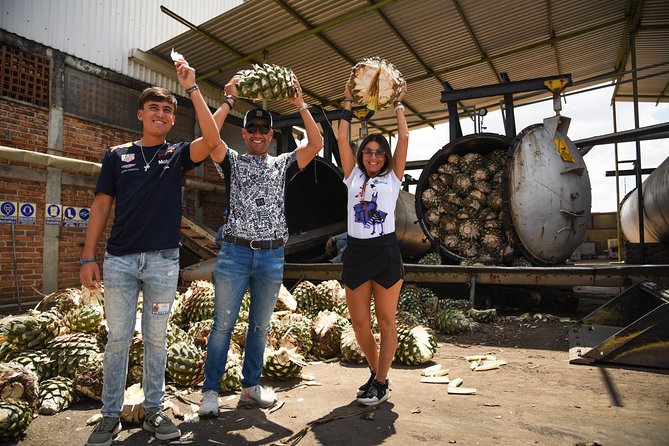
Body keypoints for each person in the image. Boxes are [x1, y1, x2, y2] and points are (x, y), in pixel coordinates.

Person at [79, 57, 220, 446]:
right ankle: (110, 416)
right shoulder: (116, 155)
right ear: (141, 114)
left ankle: (154, 411)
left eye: (168, 111)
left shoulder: (176, 156)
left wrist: (192, 88)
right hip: (120, 261)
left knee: (157, 339)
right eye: (154, 108)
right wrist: (88, 256)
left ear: (173, 120)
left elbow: (211, 141)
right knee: (118, 339)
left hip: (162, 263)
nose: (161, 114)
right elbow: (102, 206)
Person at [198, 74, 323, 416]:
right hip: (235, 253)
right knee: (223, 324)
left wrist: (300, 105)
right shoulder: (233, 162)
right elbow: (209, 139)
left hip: (271, 255)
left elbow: (315, 143)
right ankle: (210, 392)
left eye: (262, 130)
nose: (256, 134)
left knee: (260, 326)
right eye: (251, 129)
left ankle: (250, 387)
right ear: (244, 133)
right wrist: (229, 100)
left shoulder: (283, 164)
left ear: (271, 135)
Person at [336, 80, 408, 405]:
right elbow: (340, 137)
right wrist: (347, 103)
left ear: (386, 157)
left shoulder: (392, 179)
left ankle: (380, 381)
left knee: (386, 320)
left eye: (380, 152)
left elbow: (404, 136)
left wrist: (398, 105)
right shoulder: (353, 177)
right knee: (360, 323)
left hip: (385, 252)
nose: (374, 156)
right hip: (356, 253)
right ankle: (378, 373)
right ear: (362, 155)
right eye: (368, 150)